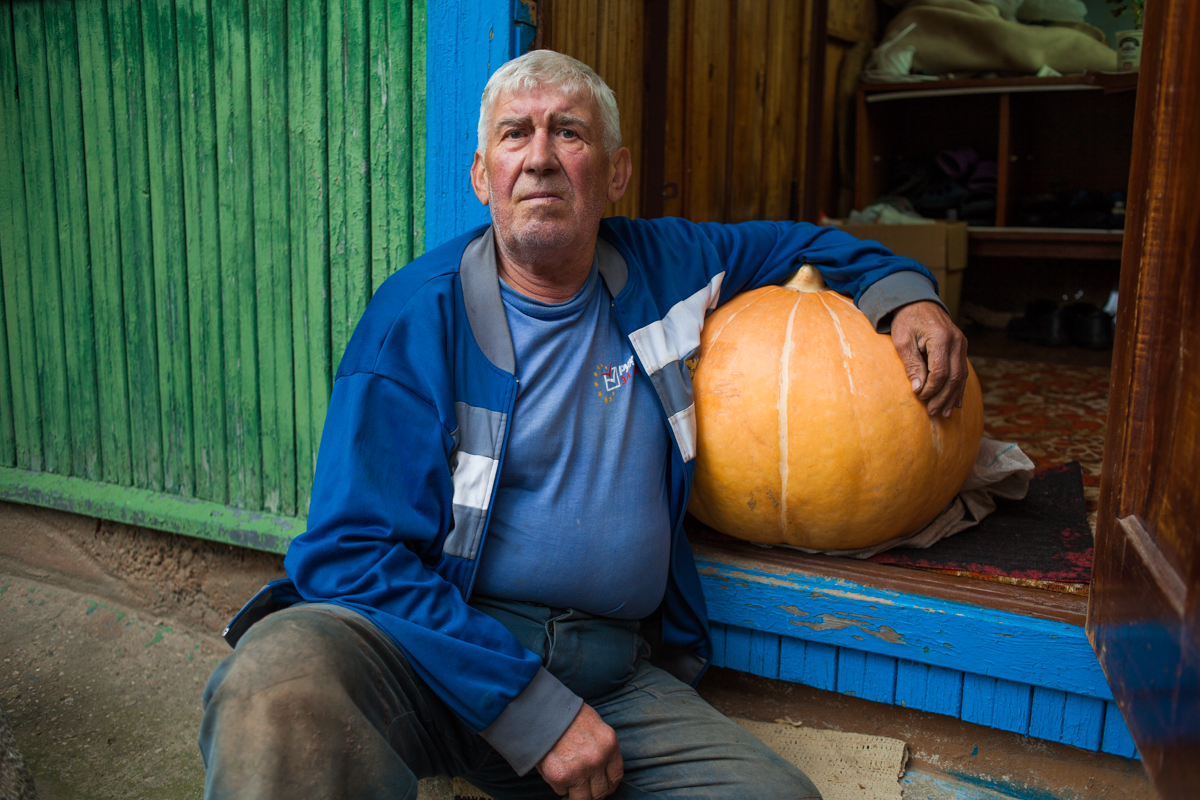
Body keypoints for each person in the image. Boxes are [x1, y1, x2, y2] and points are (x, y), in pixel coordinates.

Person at [199, 50, 967, 800]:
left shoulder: (667, 265)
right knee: (279, 678)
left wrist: (906, 297)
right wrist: (530, 708)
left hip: (613, 678)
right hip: (437, 656)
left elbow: (811, 246)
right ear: (481, 177)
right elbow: (348, 553)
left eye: (568, 132)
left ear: (615, 172)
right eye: (514, 135)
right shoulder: (415, 318)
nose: (539, 158)